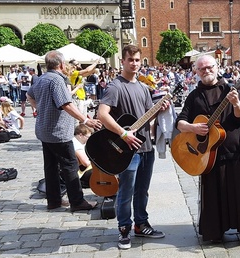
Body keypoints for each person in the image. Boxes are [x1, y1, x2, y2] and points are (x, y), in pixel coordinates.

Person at [175, 55, 240, 249]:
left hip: (232, 150)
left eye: (209, 67)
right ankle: (215, 231)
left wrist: (237, 103)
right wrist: (193, 128)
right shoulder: (194, 96)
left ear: (217, 67)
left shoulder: (230, 89)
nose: (206, 71)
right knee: (213, 194)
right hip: (207, 155)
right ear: (196, 71)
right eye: (201, 68)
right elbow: (180, 121)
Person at [96, 45, 169, 250]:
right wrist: (123, 133)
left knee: (142, 191)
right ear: (123, 61)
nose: (134, 64)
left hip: (146, 146)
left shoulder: (143, 88)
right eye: (131, 60)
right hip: (126, 151)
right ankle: (124, 229)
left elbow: (146, 117)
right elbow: (102, 114)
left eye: (137, 60)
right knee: (126, 192)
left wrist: (159, 110)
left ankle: (141, 224)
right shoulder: (115, 87)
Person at [26, 50, 102, 212]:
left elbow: (29, 95)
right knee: (70, 165)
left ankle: (54, 201)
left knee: (51, 166)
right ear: (60, 64)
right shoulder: (57, 80)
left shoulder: (41, 79)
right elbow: (65, 104)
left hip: (44, 131)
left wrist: (39, 108)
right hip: (58, 132)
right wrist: (86, 120)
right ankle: (77, 202)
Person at [72, 124, 93, 188]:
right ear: (80, 135)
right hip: (80, 173)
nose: (88, 139)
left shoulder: (80, 142)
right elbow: (86, 163)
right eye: (88, 137)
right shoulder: (76, 144)